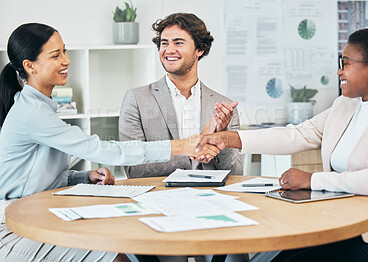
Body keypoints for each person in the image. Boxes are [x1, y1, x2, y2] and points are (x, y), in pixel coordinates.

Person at [0, 23, 219, 262]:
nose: (66, 61)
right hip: (16, 227)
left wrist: (84, 177)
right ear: (29, 66)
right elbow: (103, 150)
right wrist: (181, 145)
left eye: (65, 51)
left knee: (117, 248)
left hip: (38, 215)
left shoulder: (42, 107)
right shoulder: (33, 113)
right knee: (115, 256)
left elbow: (36, 178)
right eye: (56, 55)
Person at [196, 28, 368, 262]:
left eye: (345, 63)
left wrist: (311, 179)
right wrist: (230, 138)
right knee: (270, 257)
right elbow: (299, 134)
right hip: (339, 220)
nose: (339, 71)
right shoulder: (346, 105)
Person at [119, 12, 243, 179]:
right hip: (159, 198)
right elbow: (133, 169)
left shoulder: (225, 108)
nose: (169, 50)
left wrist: (223, 137)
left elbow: (236, 174)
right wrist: (189, 152)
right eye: (164, 43)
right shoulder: (136, 99)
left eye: (178, 42)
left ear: (199, 49)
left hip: (212, 197)